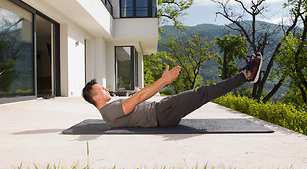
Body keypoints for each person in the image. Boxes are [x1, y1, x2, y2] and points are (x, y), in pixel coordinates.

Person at [82, 53, 263, 128]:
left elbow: (140, 97)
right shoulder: (110, 111)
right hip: (161, 113)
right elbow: (138, 98)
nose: (105, 89)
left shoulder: (109, 111)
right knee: (204, 92)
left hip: (162, 109)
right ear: (96, 97)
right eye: (101, 89)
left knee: (203, 93)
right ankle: (247, 75)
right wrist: (163, 81)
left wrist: (163, 83)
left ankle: (246, 74)